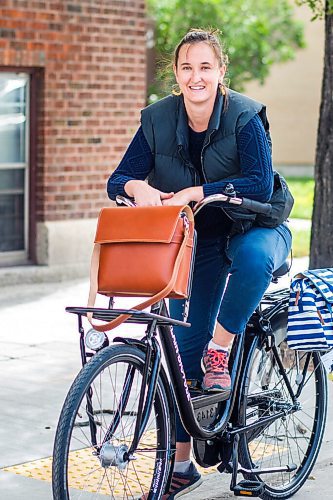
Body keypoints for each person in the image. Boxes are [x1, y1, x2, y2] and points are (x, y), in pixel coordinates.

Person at [107, 28, 292, 499]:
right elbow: (120, 177)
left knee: (251, 264)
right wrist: (137, 189)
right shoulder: (157, 119)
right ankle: (184, 465)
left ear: (220, 71)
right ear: (176, 73)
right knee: (182, 355)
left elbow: (257, 181)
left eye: (205, 67)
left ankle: (223, 349)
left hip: (257, 226)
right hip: (200, 240)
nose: (196, 76)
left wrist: (196, 191)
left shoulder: (246, 116)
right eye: (187, 67)